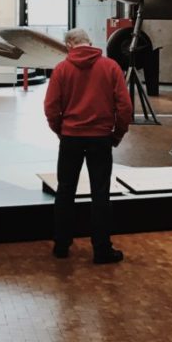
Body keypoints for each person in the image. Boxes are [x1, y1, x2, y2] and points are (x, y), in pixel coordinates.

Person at [44, 28, 132, 264]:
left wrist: (60, 131)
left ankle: (62, 245)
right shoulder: (110, 67)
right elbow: (125, 107)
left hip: (71, 137)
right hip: (101, 138)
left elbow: (51, 107)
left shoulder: (62, 69)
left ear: (70, 45)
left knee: (65, 191)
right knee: (100, 193)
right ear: (89, 42)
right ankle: (102, 249)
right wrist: (117, 134)